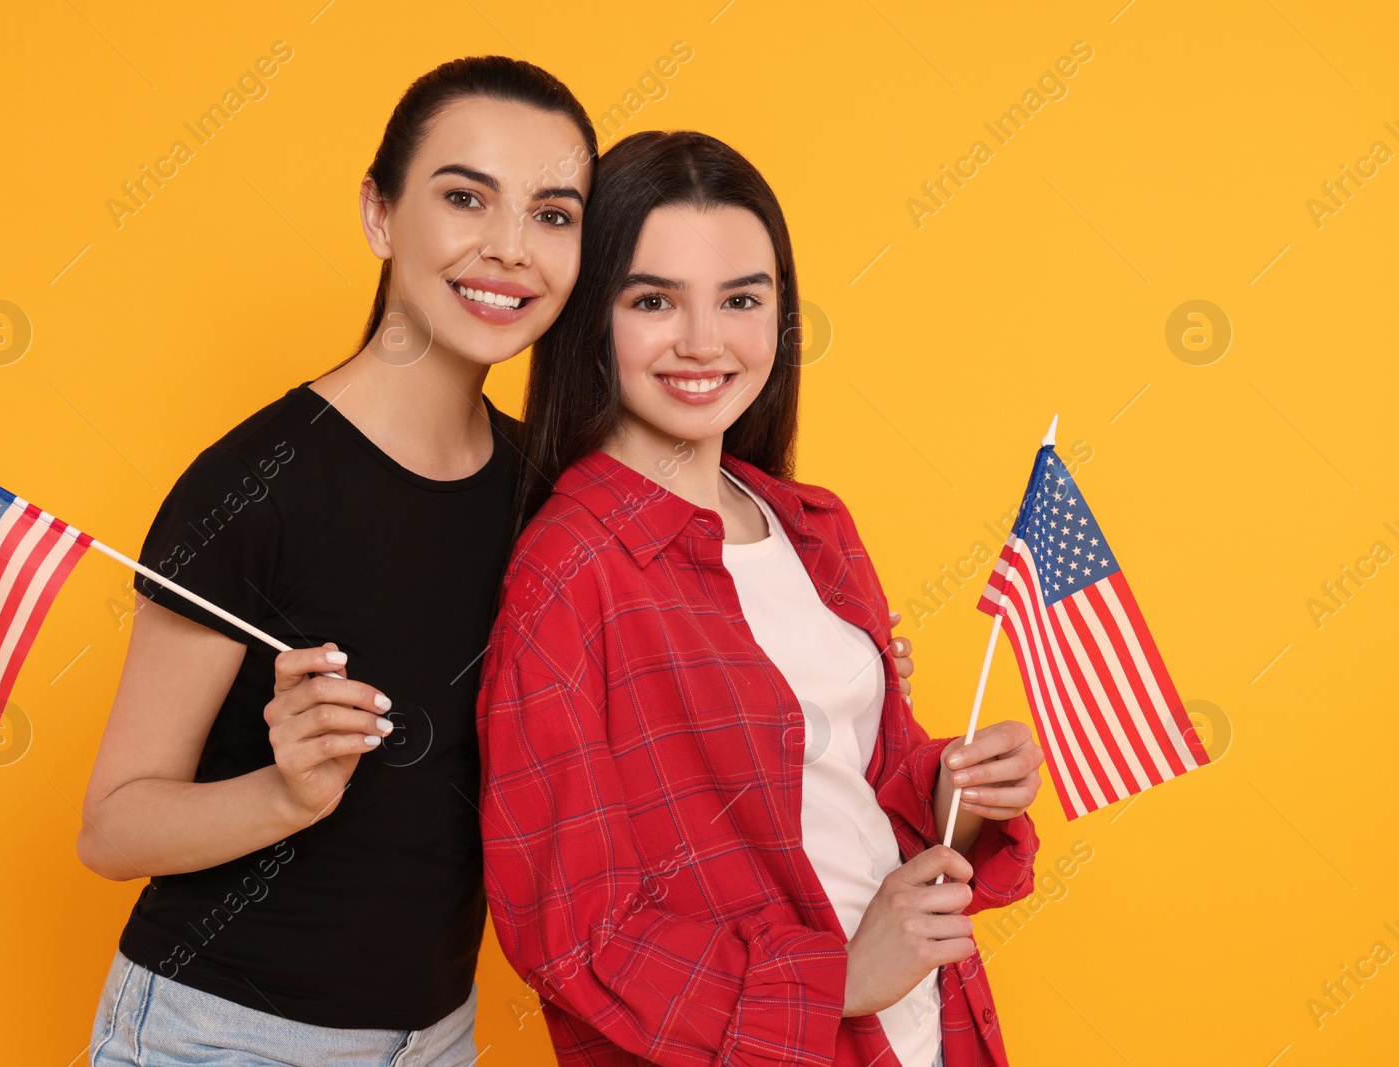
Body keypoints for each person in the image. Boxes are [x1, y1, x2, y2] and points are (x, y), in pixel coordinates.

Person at [477, 130, 1045, 1067]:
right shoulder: (570, 576)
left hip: (923, 1028)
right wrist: (840, 982)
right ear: (589, 317)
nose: (704, 342)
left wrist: (961, 790)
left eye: (742, 299)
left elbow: (858, 787)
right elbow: (570, 931)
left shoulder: (812, 525)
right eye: (653, 300)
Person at [75, 56, 597, 1067]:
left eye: (552, 213)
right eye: (463, 197)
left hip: (437, 1034)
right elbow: (112, 825)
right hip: (223, 1035)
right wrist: (286, 791)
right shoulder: (254, 486)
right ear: (380, 215)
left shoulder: (544, 487)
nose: (507, 248)